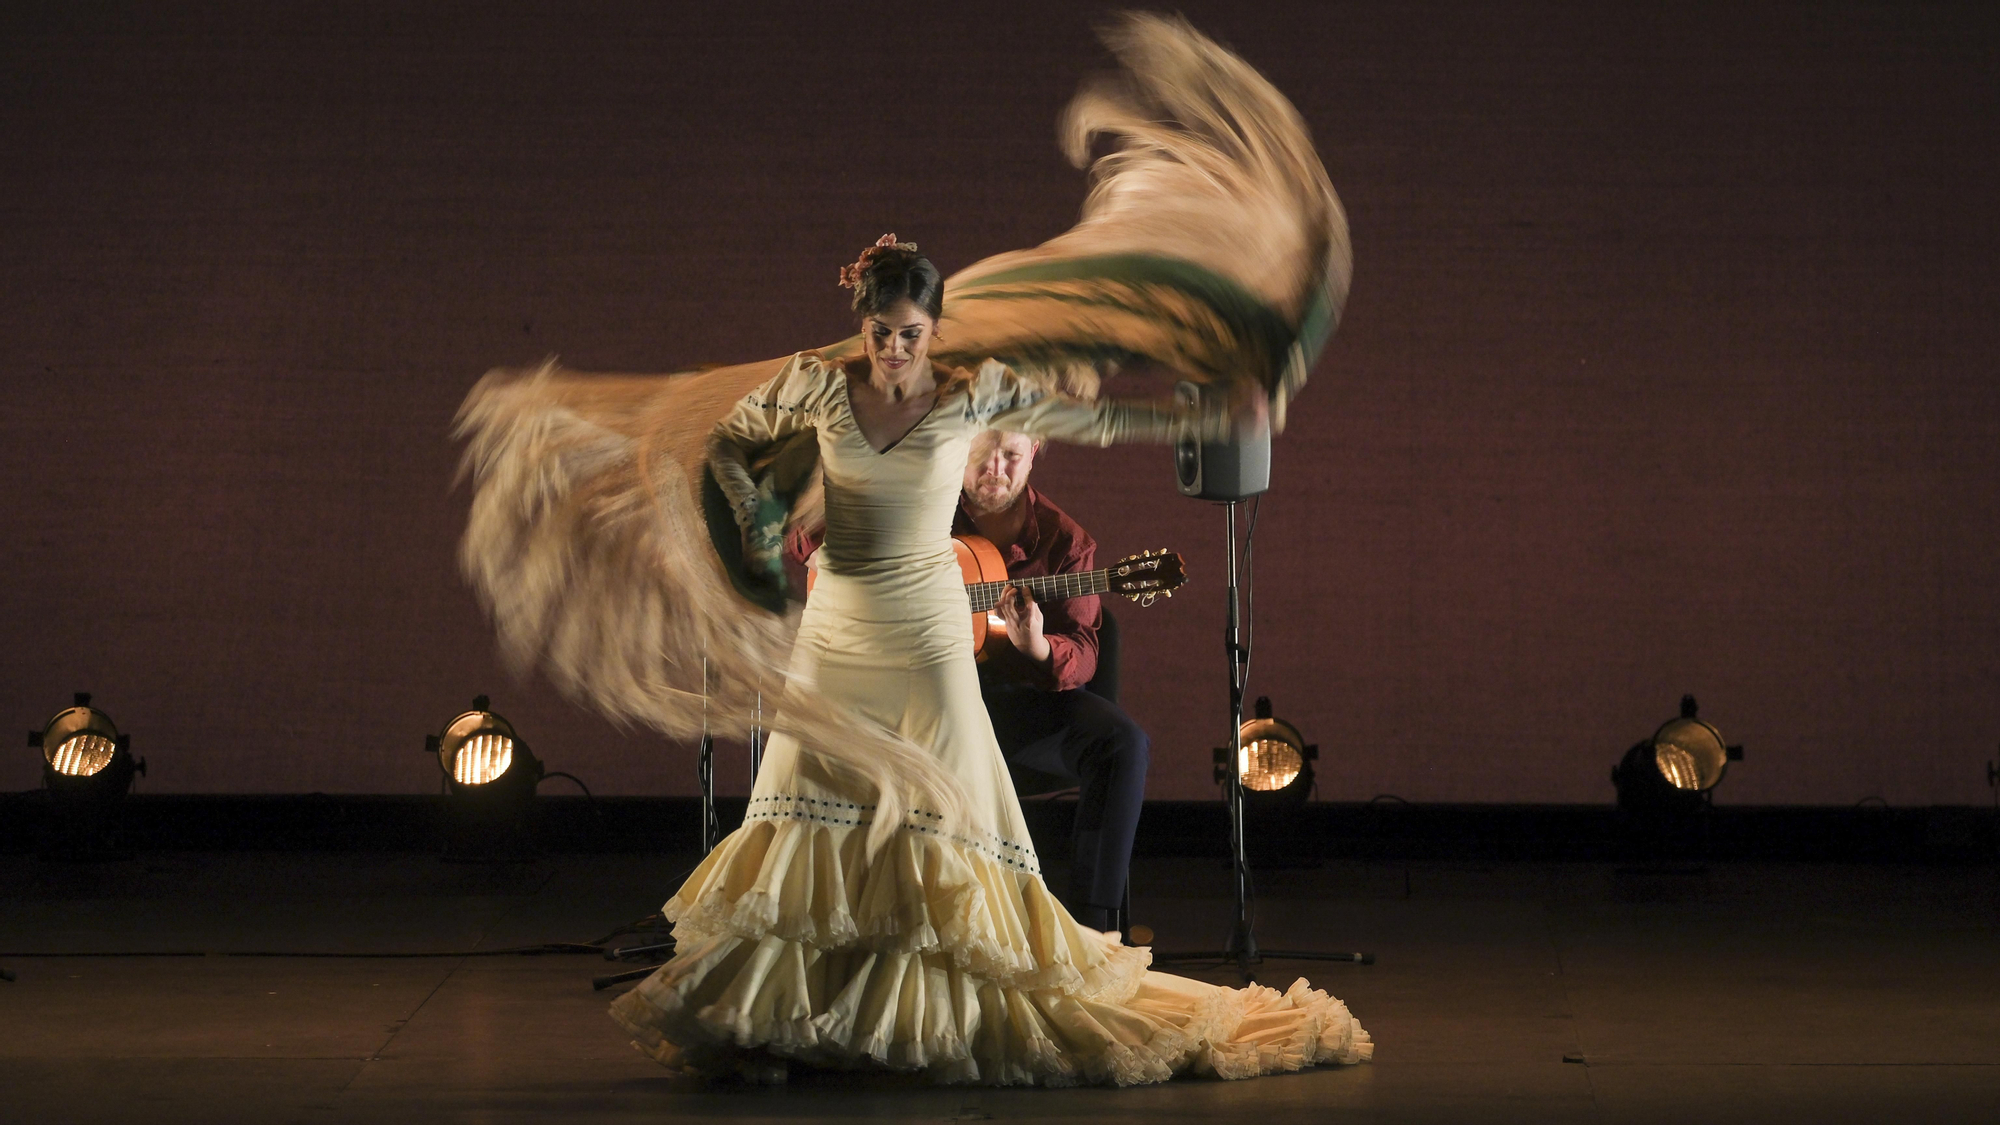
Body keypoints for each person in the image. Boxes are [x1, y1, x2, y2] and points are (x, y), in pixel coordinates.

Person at [454, 15, 1365, 1086]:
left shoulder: (974, 395)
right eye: (880, 334)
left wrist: (1197, 417)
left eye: (911, 335)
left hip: (929, 630)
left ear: (933, 329)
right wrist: (751, 518)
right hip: (840, 626)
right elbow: (733, 445)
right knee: (814, 813)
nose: (894, 351)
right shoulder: (816, 388)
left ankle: (941, 1005)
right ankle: (785, 1017)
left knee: (940, 810)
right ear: (864, 327)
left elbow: (1099, 419)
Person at [789, 428, 1151, 936]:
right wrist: (840, 558)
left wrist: (1036, 646)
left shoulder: (1066, 541)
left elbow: (1085, 652)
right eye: (981, 453)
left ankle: (1094, 928)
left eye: (1011, 455)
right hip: (916, 697)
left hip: (1016, 704)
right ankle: (870, 920)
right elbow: (806, 535)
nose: (995, 470)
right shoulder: (918, 501)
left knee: (1123, 743)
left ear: (1035, 451)